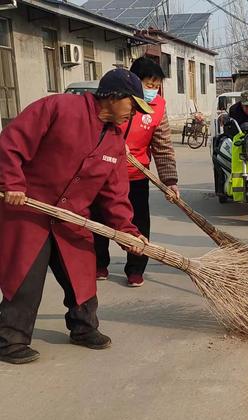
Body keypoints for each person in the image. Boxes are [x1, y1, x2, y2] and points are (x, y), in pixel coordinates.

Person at [0, 68, 150, 364]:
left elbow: (115, 194)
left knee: (81, 272)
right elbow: (10, 144)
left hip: (72, 217)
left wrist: (127, 232)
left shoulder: (115, 141)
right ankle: (10, 339)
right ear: (114, 97)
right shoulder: (57, 108)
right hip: (29, 208)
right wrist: (12, 184)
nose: (131, 113)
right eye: (131, 105)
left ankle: (83, 328)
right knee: (26, 276)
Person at [94, 56, 179, 287]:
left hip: (136, 175)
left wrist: (169, 180)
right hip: (104, 174)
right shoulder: (115, 101)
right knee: (99, 219)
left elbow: (162, 145)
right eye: (149, 85)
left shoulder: (158, 107)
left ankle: (135, 268)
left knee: (139, 223)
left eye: (157, 85)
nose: (153, 90)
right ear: (134, 81)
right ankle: (99, 263)